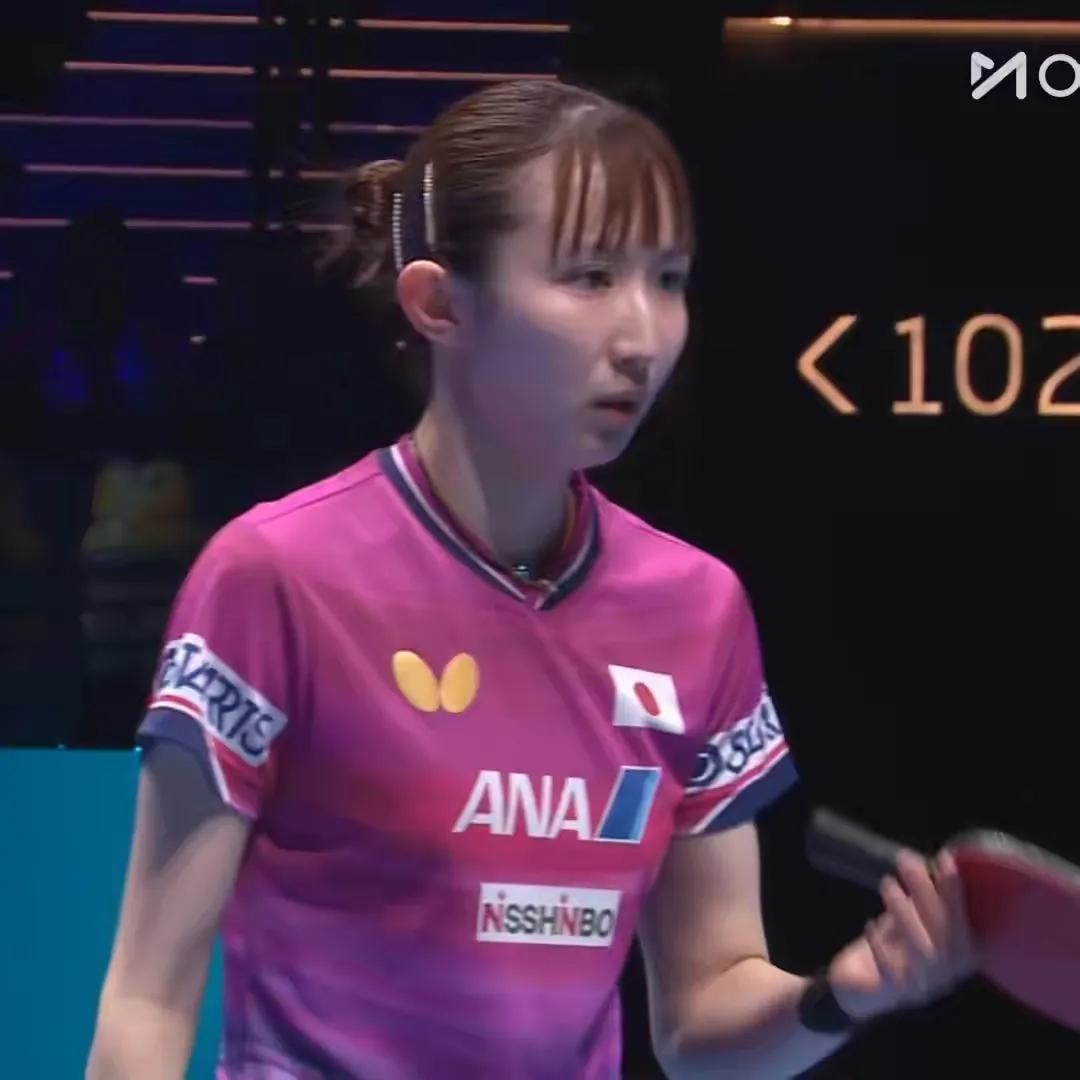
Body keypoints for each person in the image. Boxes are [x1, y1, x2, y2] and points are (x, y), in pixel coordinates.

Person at [86, 79, 973, 1080]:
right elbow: (147, 1003)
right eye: (589, 277)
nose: (643, 337)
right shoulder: (276, 577)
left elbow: (704, 1020)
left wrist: (847, 991)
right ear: (439, 303)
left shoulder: (697, 608)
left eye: (669, 279)